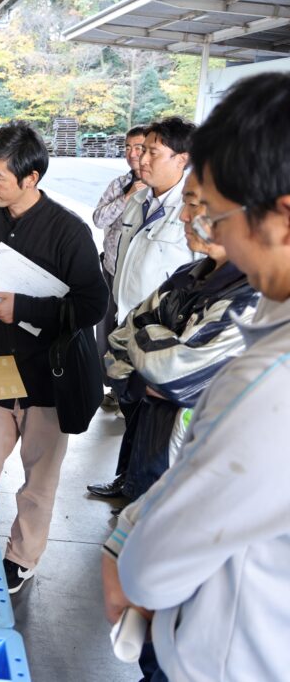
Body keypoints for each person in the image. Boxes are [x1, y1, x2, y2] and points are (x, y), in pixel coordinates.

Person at [102, 71, 290, 682]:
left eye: (218, 213)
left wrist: (124, 555)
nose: (209, 234)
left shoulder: (271, 378)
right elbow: (131, 329)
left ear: (281, 214)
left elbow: (156, 564)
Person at [0, 121, 108, 594]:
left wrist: (27, 308)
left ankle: (21, 556)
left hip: (47, 380)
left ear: (30, 179)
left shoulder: (69, 232)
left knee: (38, 482)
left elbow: (92, 305)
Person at [87, 171, 258, 505]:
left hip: (198, 490)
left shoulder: (252, 299)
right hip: (153, 461)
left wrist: (149, 349)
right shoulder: (187, 277)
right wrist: (146, 372)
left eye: (194, 204)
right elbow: (119, 341)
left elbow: (175, 376)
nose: (182, 215)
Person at [113, 118, 199, 325]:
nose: (142, 160)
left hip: (164, 330)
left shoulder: (194, 210)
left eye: (153, 153)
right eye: (143, 151)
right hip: (124, 321)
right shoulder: (136, 201)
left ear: (181, 159)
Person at [92, 126, 146, 409]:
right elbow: (99, 219)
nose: (132, 154)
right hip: (111, 270)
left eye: (138, 147)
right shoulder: (119, 185)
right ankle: (113, 386)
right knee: (106, 334)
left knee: (136, 336)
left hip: (140, 281)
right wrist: (126, 197)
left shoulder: (160, 191)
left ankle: (133, 393)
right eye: (127, 147)